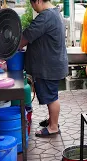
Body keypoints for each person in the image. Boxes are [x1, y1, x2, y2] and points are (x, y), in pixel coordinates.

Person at [19, 0, 68, 137]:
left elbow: (27, 36)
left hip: (49, 66)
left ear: (39, 1)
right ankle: (52, 120)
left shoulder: (46, 16)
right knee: (51, 94)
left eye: (32, 3)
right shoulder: (54, 13)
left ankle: (53, 127)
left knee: (51, 97)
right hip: (52, 64)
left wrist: (14, 46)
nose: (32, 7)